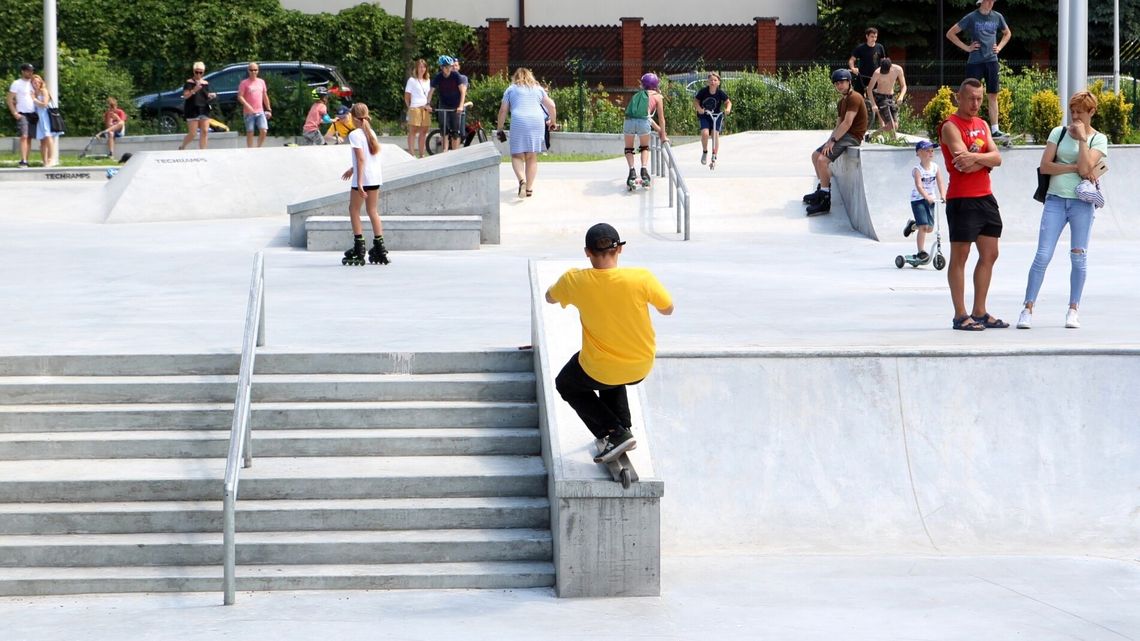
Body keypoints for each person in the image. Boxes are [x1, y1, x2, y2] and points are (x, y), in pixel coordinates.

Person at [546, 223, 674, 463]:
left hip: (600, 369)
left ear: (587, 252)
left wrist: (569, 288)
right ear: (620, 250)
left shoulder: (575, 280)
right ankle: (623, 426)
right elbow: (668, 309)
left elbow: (549, 297)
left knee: (566, 383)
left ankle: (613, 430)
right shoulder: (641, 278)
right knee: (610, 371)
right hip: (641, 366)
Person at [1016, 91, 1108, 330]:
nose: (1075, 116)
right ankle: (1027, 307)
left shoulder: (1098, 139)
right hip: (1056, 200)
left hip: (1082, 204)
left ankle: (1073, 309)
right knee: (1042, 255)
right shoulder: (1057, 133)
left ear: (1091, 112)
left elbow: (1088, 167)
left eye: (1080, 111)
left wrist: (1080, 140)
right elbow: (1046, 166)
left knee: (1079, 257)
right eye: (1072, 111)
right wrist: (1073, 167)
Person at [939, 78, 1005, 331]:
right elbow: (961, 164)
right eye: (971, 98)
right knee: (961, 256)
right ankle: (960, 315)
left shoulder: (982, 124)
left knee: (990, 254)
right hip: (961, 199)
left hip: (985, 198)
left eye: (979, 99)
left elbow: (997, 158)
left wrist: (978, 158)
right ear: (959, 97)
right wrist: (984, 160)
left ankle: (979, 311)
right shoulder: (950, 126)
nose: (976, 103)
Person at [803, 69, 868, 216]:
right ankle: (822, 190)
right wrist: (829, 141)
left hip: (853, 136)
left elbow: (847, 123)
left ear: (849, 82)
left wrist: (833, 140)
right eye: (837, 83)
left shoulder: (855, 98)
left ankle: (825, 200)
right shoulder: (841, 102)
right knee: (815, 155)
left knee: (822, 160)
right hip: (843, 135)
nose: (839, 86)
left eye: (842, 82)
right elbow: (838, 125)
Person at [946, 0, 1012, 138]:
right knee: (970, 95)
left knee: (993, 94)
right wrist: (967, 48)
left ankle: (995, 130)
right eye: (988, 1)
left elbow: (1007, 33)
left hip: (992, 61)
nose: (990, 3)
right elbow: (950, 33)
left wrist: (999, 47)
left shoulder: (997, 16)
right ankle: (967, 126)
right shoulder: (971, 17)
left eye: (992, 1)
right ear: (981, 2)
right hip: (975, 62)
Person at [339, 102, 389, 267]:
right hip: (375, 177)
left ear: (353, 118)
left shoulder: (354, 134)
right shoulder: (371, 133)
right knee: (372, 211)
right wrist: (352, 169)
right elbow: (366, 157)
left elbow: (361, 158)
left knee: (353, 210)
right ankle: (380, 247)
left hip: (364, 179)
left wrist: (359, 182)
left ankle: (359, 248)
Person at [496, 68, 558, 199]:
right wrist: (553, 121)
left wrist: (500, 128)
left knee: (517, 156)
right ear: (530, 77)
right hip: (536, 121)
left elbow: (503, 111)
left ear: (515, 77)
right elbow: (551, 106)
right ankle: (529, 189)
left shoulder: (511, 89)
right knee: (531, 157)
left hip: (519, 121)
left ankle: (522, 181)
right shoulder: (538, 89)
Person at [902, 140, 947, 263]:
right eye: (927, 150)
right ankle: (921, 251)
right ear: (919, 153)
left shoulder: (935, 167)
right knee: (923, 227)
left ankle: (912, 225)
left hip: (931, 200)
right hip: (918, 200)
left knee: (930, 228)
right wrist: (926, 196)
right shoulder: (917, 169)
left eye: (932, 150)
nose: (931, 152)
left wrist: (943, 195)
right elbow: (919, 186)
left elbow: (940, 182)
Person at [623, 73, 667, 189]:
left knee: (629, 148)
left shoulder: (637, 95)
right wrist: (663, 134)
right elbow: (660, 119)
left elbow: (645, 116)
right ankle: (644, 171)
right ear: (655, 84)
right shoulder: (657, 96)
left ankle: (632, 172)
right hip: (643, 124)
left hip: (629, 122)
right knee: (644, 148)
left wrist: (658, 130)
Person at [426, 55, 468, 152]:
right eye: (447, 66)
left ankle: (455, 152)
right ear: (441, 67)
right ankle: (445, 150)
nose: (449, 68)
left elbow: (463, 92)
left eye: (450, 66)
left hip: (455, 105)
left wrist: (461, 106)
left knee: (455, 131)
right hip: (443, 104)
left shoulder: (456, 76)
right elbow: (431, 91)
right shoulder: (438, 77)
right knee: (444, 129)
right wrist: (428, 104)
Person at [693, 72, 732, 166]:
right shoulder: (704, 91)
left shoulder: (720, 93)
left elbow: (728, 102)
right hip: (705, 114)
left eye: (715, 80)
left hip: (716, 115)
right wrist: (699, 109)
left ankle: (714, 155)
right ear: (708, 82)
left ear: (718, 82)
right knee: (705, 133)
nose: (713, 82)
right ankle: (705, 152)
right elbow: (696, 101)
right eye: (711, 80)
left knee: (715, 134)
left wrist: (727, 109)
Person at [179, 62, 216, 150]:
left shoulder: (205, 83)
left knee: (205, 131)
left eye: (201, 72)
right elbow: (185, 96)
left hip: (204, 108)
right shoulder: (189, 82)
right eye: (196, 72)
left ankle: (203, 150)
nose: (198, 74)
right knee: (193, 133)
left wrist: (210, 95)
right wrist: (194, 90)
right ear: (193, 71)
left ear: (203, 72)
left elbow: (204, 95)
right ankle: (182, 146)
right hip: (192, 109)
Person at [866, 57, 907, 137]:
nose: (883, 73)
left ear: (890, 67)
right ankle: (894, 142)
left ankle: (871, 136)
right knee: (891, 125)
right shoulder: (877, 73)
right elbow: (869, 89)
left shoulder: (898, 70)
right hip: (881, 98)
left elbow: (904, 86)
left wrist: (901, 96)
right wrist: (874, 104)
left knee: (895, 125)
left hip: (891, 97)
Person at [7, 63, 37, 167]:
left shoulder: (33, 83)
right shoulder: (17, 83)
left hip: (32, 113)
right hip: (22, 113)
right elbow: (9, 99)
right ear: (23, 71)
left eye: (31, 71)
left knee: (29, 137)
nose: (30, 73)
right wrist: (14, 112)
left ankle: (26, 159)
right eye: (28, 71)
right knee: (23, 136)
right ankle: (23, 160)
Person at [237, 62, 272, 148]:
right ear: (248, 71)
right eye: (251, 70)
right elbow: (240, 96)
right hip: (249, 112)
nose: (253, 72)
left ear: (258, 71)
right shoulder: (244, 83)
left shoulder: (261, 82)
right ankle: (250, 149)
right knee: (250, 131)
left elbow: (265, 96)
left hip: (260, 111)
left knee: (264, 130)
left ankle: (258, 148)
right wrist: (247, 105)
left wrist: (268, 108)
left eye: (255, 70)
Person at [404, 59, 432, 158]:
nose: (422, 69)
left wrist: (429, 105)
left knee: (424, 132)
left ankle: (422, 154)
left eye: (424, 67)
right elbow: (407, 96)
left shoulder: (428, 80)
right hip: (415, 108)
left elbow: (429, 95)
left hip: (425, 108)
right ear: (416, 68)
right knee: (413, 131)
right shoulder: (412, 80)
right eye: (420, 67)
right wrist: (410, 108)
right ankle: (411, 154)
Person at [848, 27, 885, 97]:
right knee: (857, 96)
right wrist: (853, 68)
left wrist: (884, 72)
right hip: (862, 76)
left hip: (875, 77)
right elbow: (851, 60)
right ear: (867, 36)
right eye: (872, 37)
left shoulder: (880, 47)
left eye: (875, 37)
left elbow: (883, 61)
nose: (874, 39)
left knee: (876, 98)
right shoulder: (860, 48)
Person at [31, 75, 58, 167]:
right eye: (34, 82)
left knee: (48, 136)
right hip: (38, 117)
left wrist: (34, 99)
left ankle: (51, 158)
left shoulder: (43, 91)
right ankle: (44, 161)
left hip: (45, 116)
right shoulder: (33, 92)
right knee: (42, 140)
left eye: (38, 82)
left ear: (41, 82)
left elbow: (44, 104)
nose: (36, 84)